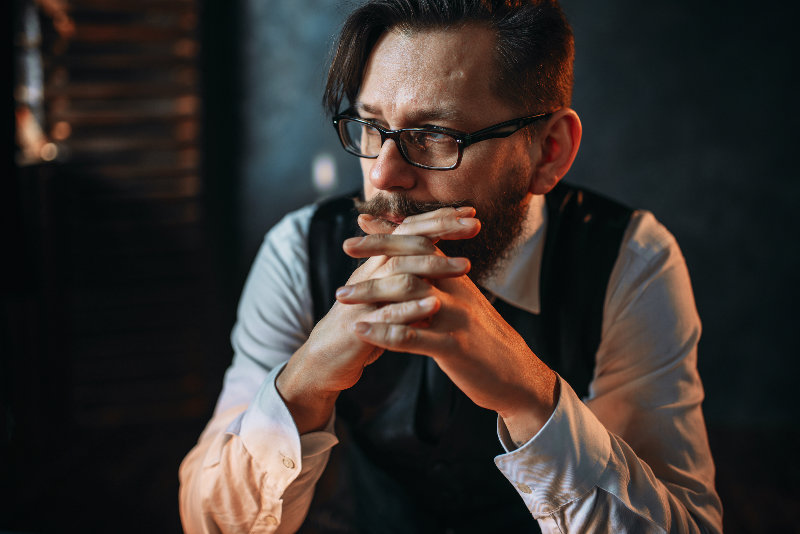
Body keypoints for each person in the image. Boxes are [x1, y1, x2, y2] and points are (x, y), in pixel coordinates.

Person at [179, 1, 723, 532]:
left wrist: (531, 398)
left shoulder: (630, 261)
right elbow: (208, 521)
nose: (383, 177)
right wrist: (304, 381)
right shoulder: (298, 250)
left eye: (436, 134)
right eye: (371, 127)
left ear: (549, 151)